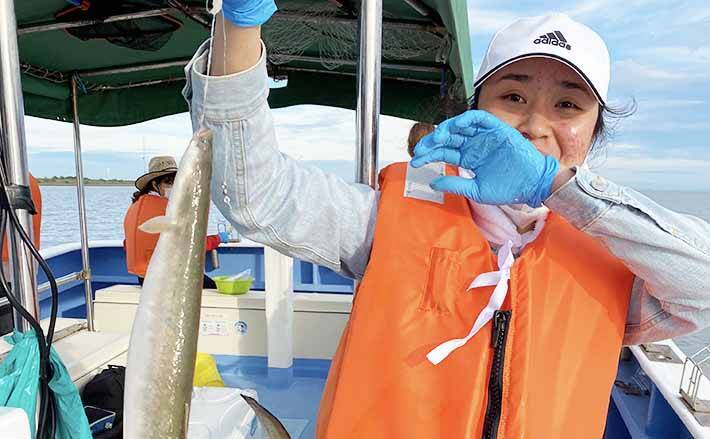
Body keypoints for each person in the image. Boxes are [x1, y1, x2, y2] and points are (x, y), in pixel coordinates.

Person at [182, 6, 710, 439]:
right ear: (473, 109)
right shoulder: (383, 217)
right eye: (513, 97)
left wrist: (557, 187)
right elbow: (253, 195)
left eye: (567, 105)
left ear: (594, 132)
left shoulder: (618, 254)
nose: (533, 126)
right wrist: (238, 27)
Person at [123, 156, 227, 289]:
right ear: (155, 184)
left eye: (176, 182)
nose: (174, 187)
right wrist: (217, 238)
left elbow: (128, 244)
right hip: (170, 278)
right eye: (168, 182)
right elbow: (193, 245)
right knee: (215, 290)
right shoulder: (168, 210)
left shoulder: (133, 209)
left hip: (144, 278)